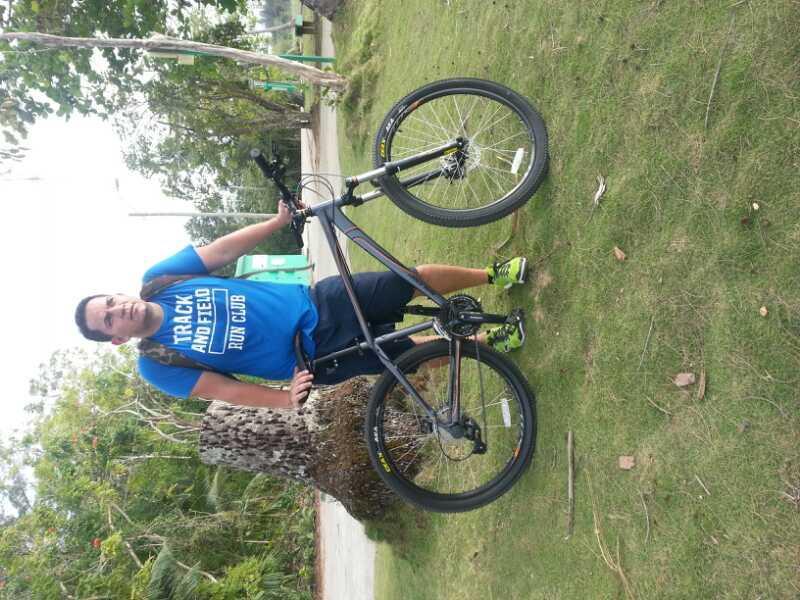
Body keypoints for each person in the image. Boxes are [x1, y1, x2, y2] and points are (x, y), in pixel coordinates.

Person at [75, 202, 527, 410]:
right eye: (110, 318)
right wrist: (283, 401)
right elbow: (223, 390)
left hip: (317, 303)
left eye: (112, 302)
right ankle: (494, 340)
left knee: (410, 279)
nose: (120, 310)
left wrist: (275, 223)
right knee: (412, 357)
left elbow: (221, 251)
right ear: (115, 337)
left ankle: (494, 274)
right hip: (314, 359)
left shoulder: (160, 279)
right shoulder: (156, 365)